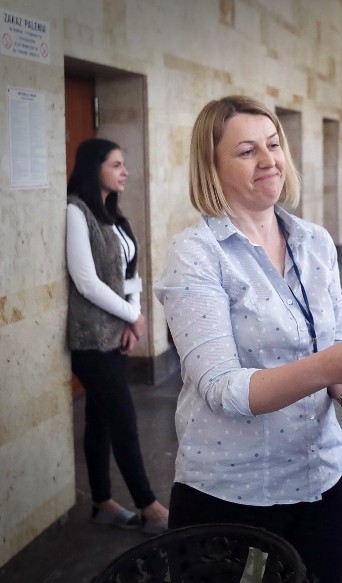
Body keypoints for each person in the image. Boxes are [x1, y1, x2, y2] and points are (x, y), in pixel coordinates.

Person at [153, 95, 342, 583]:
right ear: (211, 166)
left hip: (324, 477)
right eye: (247, 151)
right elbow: (223, 387)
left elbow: (328, 345)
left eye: (273, 145)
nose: (269, 160)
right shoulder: (196, 254)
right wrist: (330, 368)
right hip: (232, 492)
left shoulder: (313, 241)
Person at [66, 138, 170, 535]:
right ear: (95, 168)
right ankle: (150, 507)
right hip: (91, 338)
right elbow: (86, 281)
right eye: (116, 164)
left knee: (99, 419)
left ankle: (102, 503)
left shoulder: (111, 214)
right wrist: (135, 316)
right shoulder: (76, 211)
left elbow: (129, 273)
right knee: (124, 418)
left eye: (124, 164)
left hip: (117, 333)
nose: (124, 171)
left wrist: (131, 320)